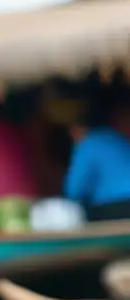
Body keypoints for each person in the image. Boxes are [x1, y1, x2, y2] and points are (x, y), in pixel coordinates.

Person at [63, 92, 130, 222]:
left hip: (116, 207)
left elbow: (74, 191)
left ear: (78, 128)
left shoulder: (88, 143)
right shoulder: (119, 138)